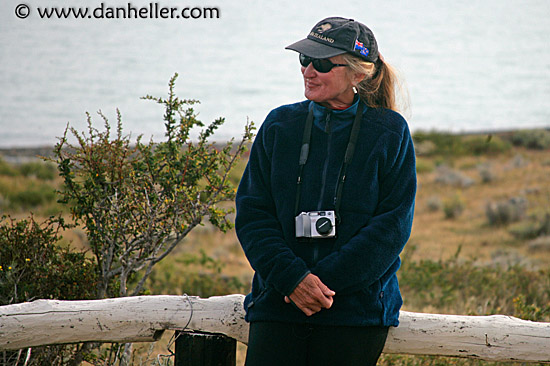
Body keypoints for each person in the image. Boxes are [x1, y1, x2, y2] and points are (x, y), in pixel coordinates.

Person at [235, 17, 416, 366]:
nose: (308, 71)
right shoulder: (279, 125)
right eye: (304, 60)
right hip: (279, 307)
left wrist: (319, 286)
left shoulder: (389, 132)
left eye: (320, 63)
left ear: (358, 74)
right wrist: (292, 279)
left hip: (354, 313)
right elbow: (253, 214)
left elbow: (391, 228)